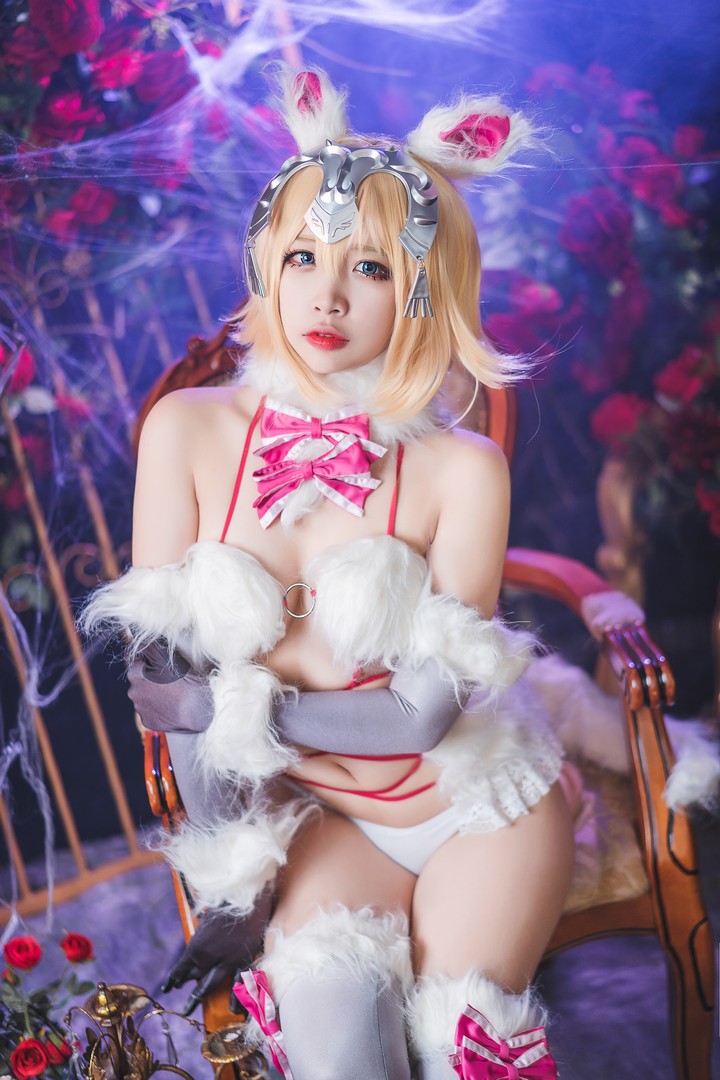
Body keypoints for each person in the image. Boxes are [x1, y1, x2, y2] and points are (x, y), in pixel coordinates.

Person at [83, 69, 576, 1080]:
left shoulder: (465, 471)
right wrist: (234, 886)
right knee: (339, 1053)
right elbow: (165, 694)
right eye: (303, 255)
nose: (328, 295)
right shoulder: (185, 432)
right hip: (330, 818)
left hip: (475, 805)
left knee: (462, 1047)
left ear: (425, 289)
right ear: (266, 263)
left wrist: (238, 706)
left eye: (373, 268)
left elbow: (420, 718)